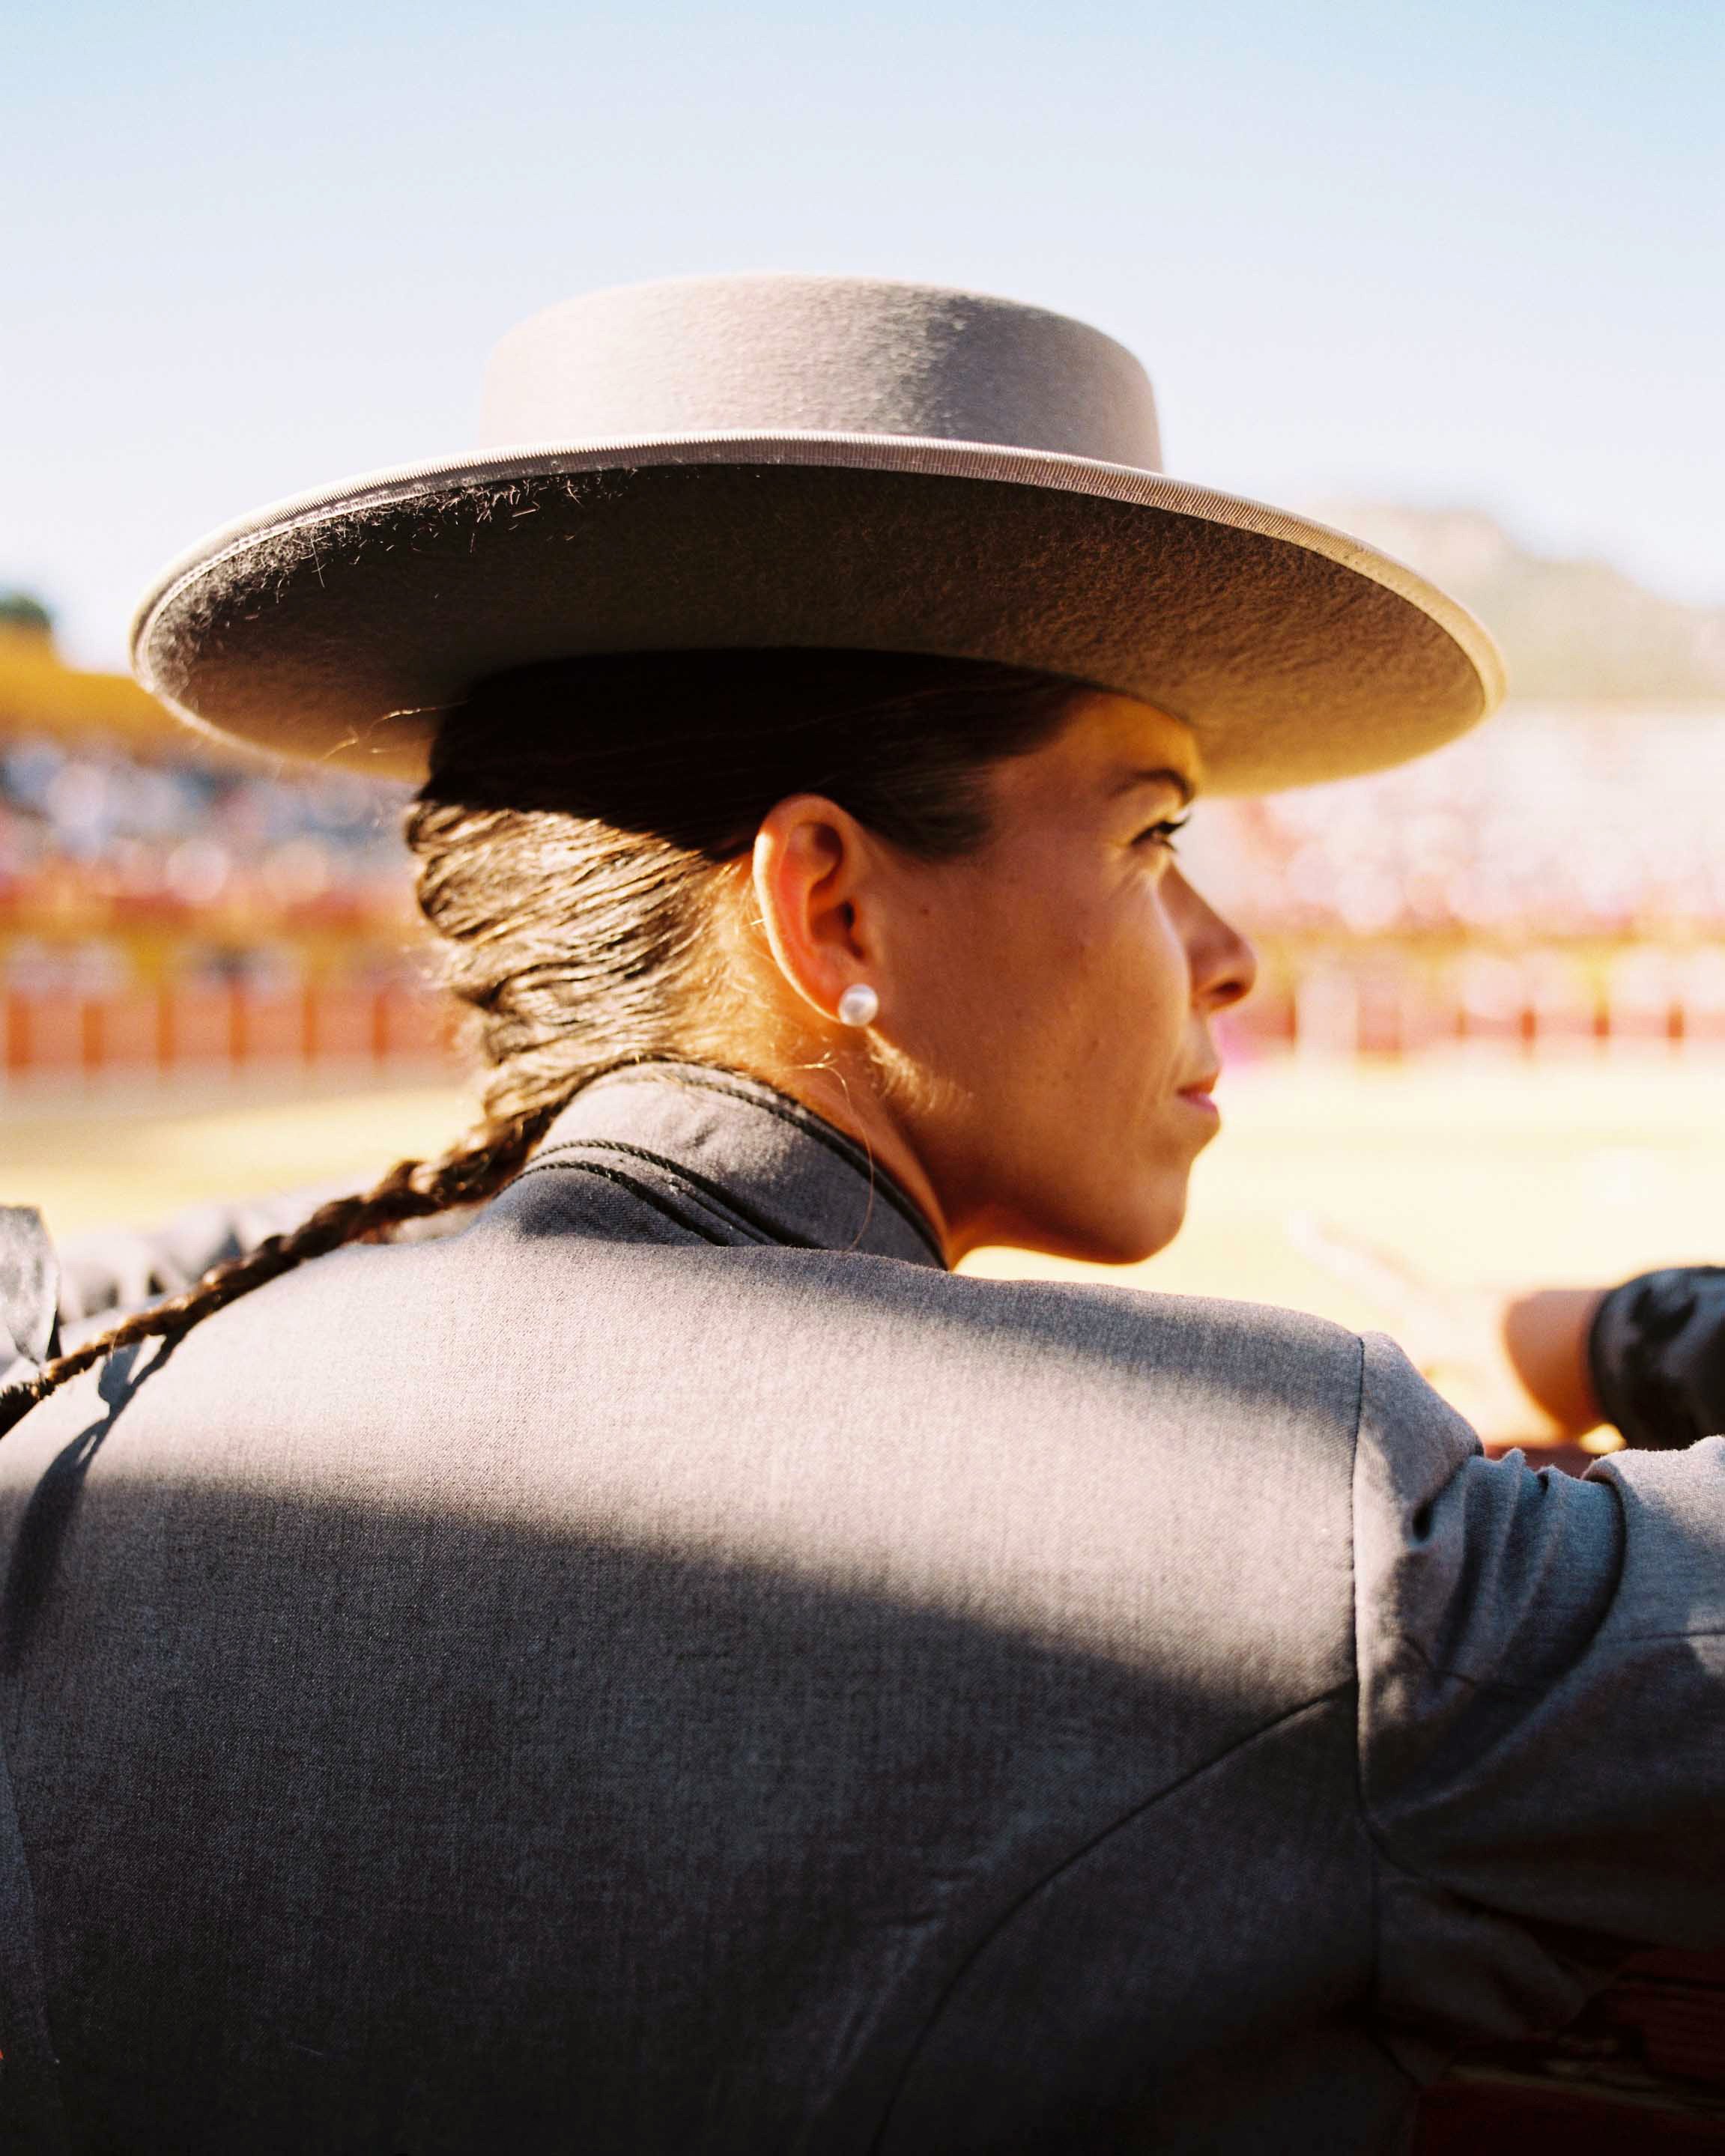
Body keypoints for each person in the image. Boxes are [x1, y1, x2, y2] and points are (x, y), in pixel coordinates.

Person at [0, 274, 1718, 2156]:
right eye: (1153, 836)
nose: (1225, 954)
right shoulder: (1295, 1536)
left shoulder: (83, 1432)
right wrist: (1614, 1335)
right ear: (831, 909)